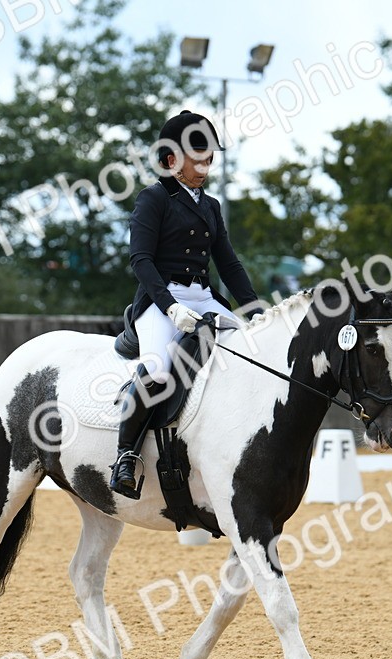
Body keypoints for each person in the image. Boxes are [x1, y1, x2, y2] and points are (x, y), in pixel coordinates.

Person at [108, 110, 262, 498]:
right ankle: (126, 456)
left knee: (255, 354)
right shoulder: (154, 199)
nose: (205, 166)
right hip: (161, 302)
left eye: (209, 158)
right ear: (171, 158)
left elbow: (228, 263)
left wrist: (257, 313)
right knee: (158, 369)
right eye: (198, 158)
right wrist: (170, 307)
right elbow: (140, 259)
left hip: (205, 297)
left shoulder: (211, 206)